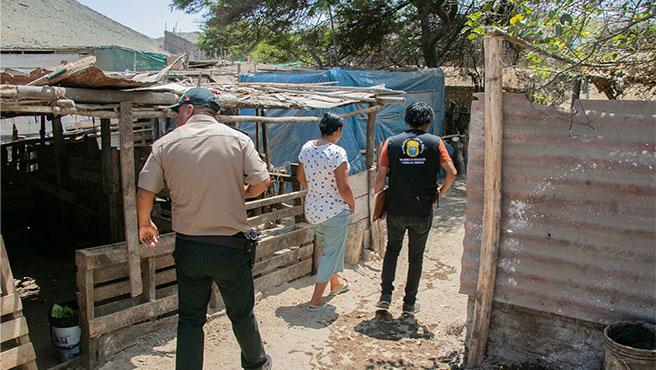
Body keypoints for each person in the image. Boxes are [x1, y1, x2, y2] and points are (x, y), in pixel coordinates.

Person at [136, 87, 272, 370]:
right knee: (241, 314)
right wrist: (241, 193)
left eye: (177, 112)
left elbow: (144, 191)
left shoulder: (164, 144)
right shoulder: (238, 139)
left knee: (190, 318)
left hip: (189, 248)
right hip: (230, 249)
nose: (177, 118)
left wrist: (144, 224)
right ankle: (257, 364)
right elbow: (261, 182)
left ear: (188, 110)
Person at [374, 102, 457, 314]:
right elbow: (452, 173)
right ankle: (409, 304)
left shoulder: (391, 143)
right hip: (422, 210)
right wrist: (440, 193)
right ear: (428, 123)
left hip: (396, 208)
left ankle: (385, 296)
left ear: (406, 120)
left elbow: (380, 176)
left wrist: (379, 205)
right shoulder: (435, 143)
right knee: (416, 256)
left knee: (392, 249)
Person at [296, 112, 355, 311]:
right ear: (337, 131)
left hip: (312, 210)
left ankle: (336, 284)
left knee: (331, 247)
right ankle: (316, 300)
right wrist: (352, 204)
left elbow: (301, 178)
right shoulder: (337, 152)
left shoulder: (307, 147)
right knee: (331, 252)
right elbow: (344, 187)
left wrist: (317, 190)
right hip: (334, 212)